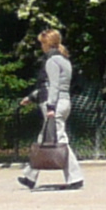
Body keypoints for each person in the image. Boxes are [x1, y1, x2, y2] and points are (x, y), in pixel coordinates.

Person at [20, 28, 82, 191]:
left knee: (59, 139)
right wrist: (32, 97)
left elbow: (53, 86)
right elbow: (56, 85)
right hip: (64, 101)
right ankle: (29, 176)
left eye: (42, 43)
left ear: (47, 43)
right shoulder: (64, 60)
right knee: (44, 139)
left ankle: (75, 178)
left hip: (54, 102)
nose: (41, 46)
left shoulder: (51, 61)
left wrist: (50, 107)